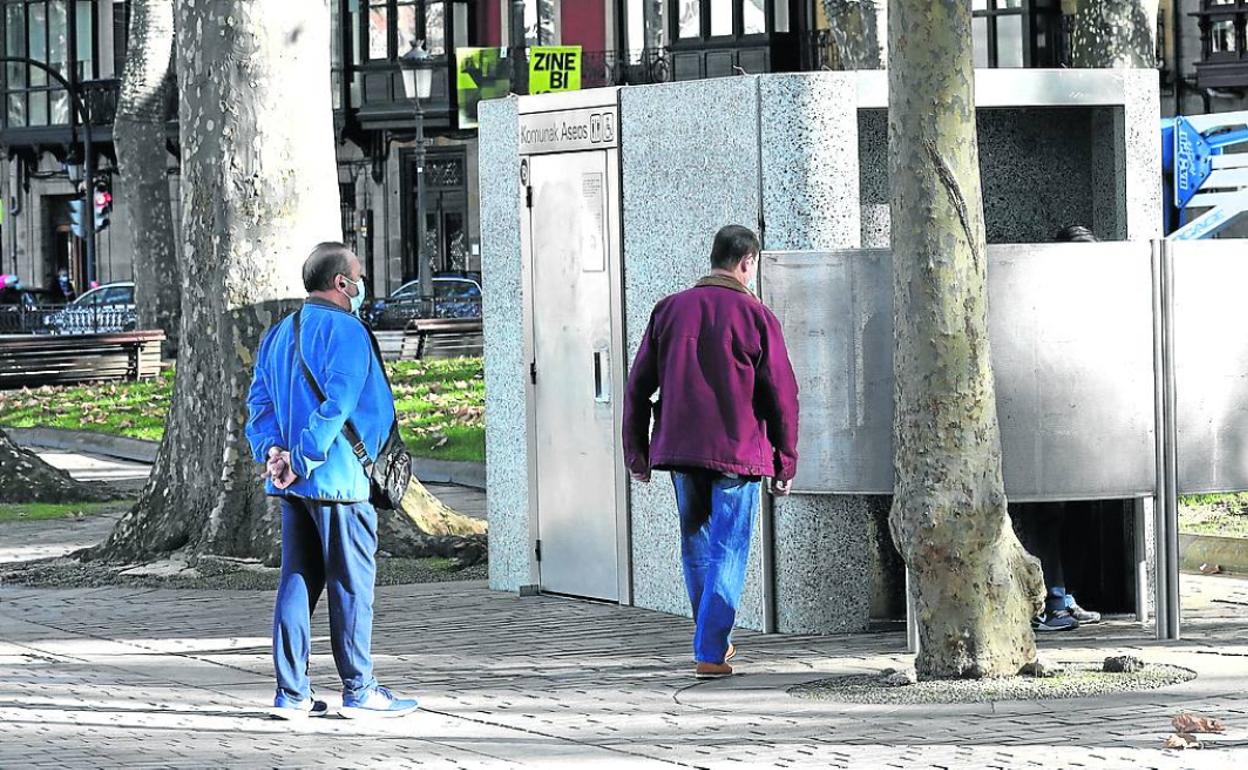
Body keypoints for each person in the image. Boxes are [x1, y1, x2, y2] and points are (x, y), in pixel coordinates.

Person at [245, 242, 419, 719]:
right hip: (340, 480)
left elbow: (258, 405)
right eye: (357, 276)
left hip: (293, 486)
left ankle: (292, 693)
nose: (362, 284)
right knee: (351, 583)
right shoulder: (348, 332)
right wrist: (301, 457)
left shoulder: (280, 333)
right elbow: (337, 404)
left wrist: (274, 453)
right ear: (341, 283)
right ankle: (360, 690)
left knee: (297, 582)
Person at [622, 224, 799, 679]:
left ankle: (710, 642)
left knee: (696, 546)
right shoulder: (756, 316)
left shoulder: (669, 310)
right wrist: (786, 458)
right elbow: (782, 394)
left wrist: (636, 453)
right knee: (729, 549)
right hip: (738, 453)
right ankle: (710, 648)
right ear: (747, 262)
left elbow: (638, 387)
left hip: (680, 450)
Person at [1015, 224, 1104, 632]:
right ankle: (1050, 602)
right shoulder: (1038, 302)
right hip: (1046, 424)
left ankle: (1063, 594)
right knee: (1048, 514)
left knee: (1073, 514)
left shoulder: (1093, 304)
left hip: (1084, 424)